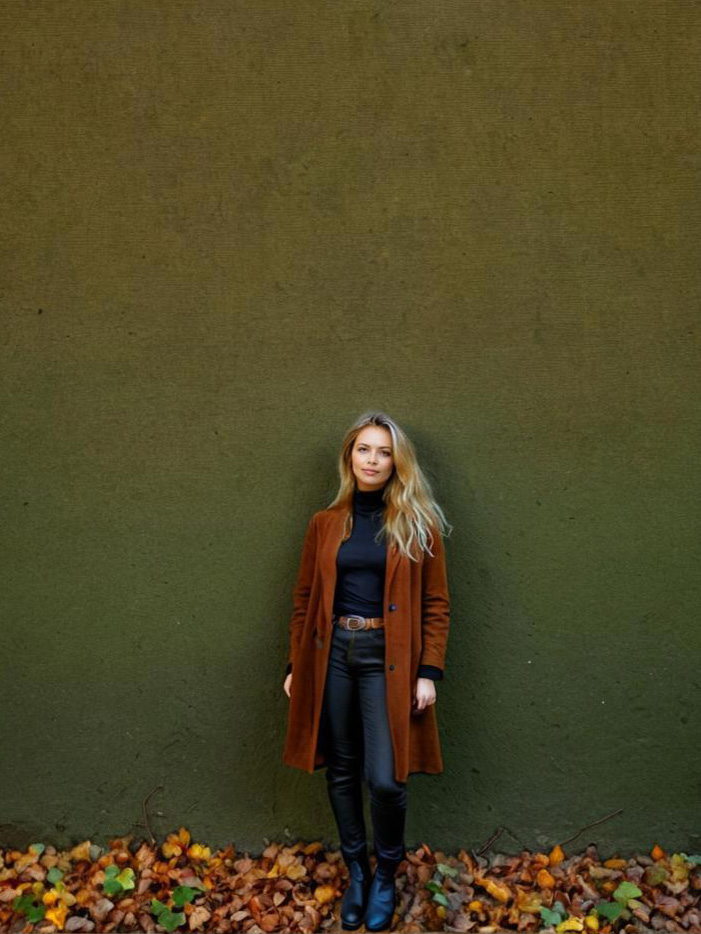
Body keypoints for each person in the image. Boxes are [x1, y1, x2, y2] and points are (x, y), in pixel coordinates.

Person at [282, 411, 451, 931]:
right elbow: (305, 596)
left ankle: (386, 874)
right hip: (332, 654)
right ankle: (357, 870)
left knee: (385, 779)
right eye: (363, 450)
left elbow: (437, 604)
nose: (372, 460)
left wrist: (428, 671)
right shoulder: (325, 524)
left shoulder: (417, 524)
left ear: (396, 462)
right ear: (349, 457)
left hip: (387, 657)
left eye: (382, 452)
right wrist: (295, 663)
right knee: (340, 769)